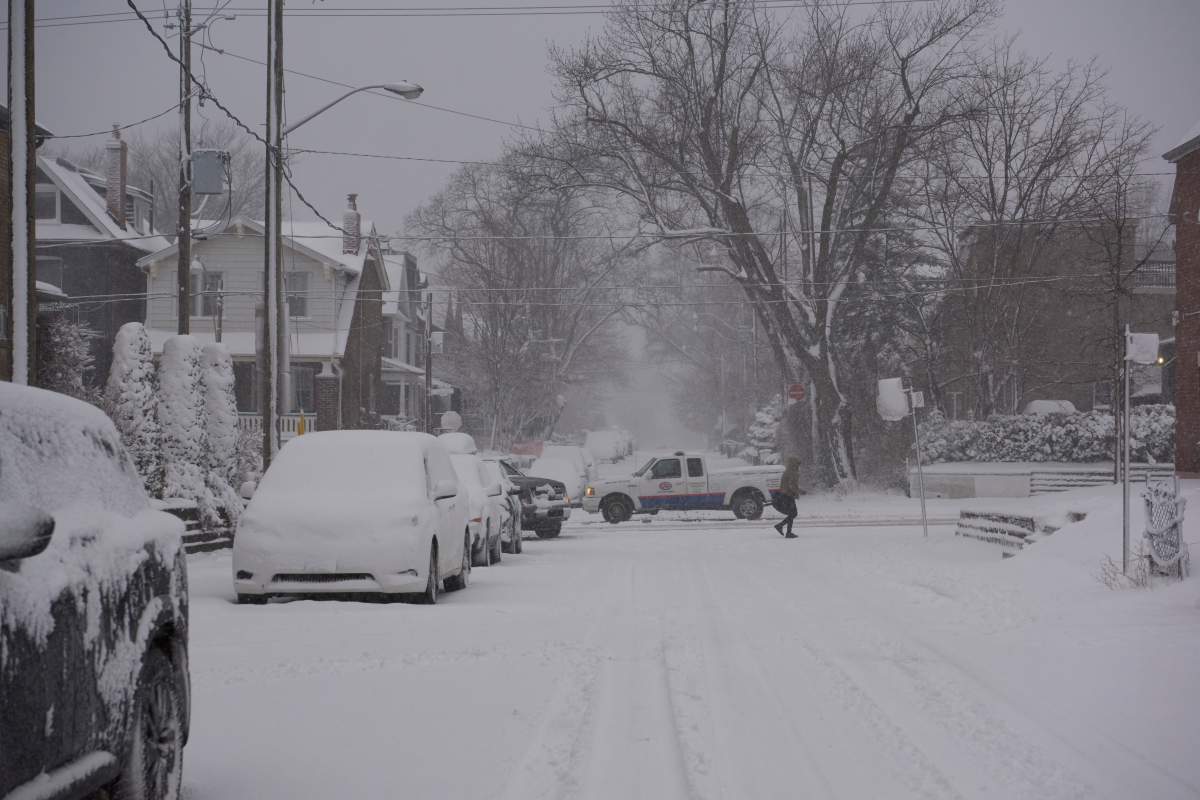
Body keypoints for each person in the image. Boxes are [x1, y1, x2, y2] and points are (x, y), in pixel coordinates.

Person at [774, 456, 801, 538]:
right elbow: (791, 485)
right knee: (793, 513)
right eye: (797, 464)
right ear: (794, 464)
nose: (798, 466)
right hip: (788, 496)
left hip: (786, 495)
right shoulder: (792, 472)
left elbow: (790, 485)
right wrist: (796, 493)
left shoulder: (787, 471)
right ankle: (782, 527)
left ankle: (785, 530)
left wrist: (800, 491)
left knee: (792, 514)